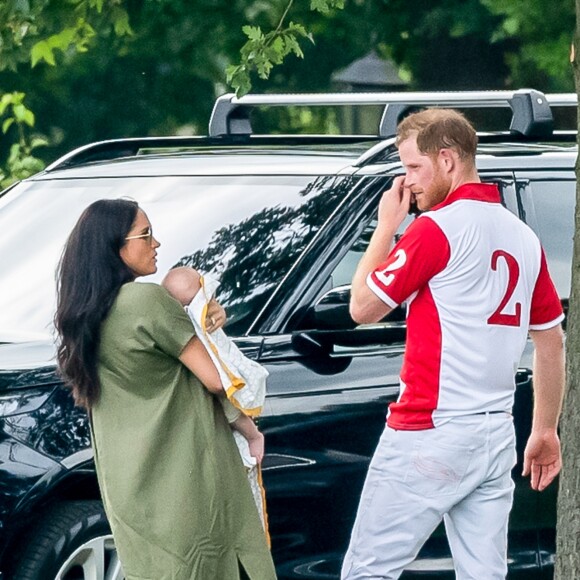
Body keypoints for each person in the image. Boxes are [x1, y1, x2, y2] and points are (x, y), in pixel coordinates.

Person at [341, 109, 565, 580]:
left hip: (429, 428)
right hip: (495, 431)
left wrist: (386, 226)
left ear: (447, 160)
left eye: (412, 168)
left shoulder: (435, 229)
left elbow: (361, 307)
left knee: (367, 572)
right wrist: (544, 429)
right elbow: (550, 341)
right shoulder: (523, 237)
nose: (407, 183)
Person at [54, 199, 277, 580]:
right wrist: (250, 430)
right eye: (145, 234)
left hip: (129, 485)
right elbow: (216, 379)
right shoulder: (146, 300)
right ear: (115, 247)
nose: (156, 243)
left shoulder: (84, 315)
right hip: (186, 476)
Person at [161, 266, 270, 532]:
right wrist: (252, 433)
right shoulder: (186, 333)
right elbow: (219, 385)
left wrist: (213, 309)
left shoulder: (193, 320)